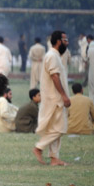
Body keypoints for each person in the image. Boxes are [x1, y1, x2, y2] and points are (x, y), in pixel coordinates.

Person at [33, 30, 71, 166]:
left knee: (55, 128)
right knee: (60, 129)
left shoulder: (55, 56)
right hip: (55, 99)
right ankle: (39, 147)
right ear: (59, 41)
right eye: (65, 40)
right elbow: (55, 77)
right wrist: (64, 96)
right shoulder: (52, 56)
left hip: (54, 98)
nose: (67, 43)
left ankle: (54, 158)